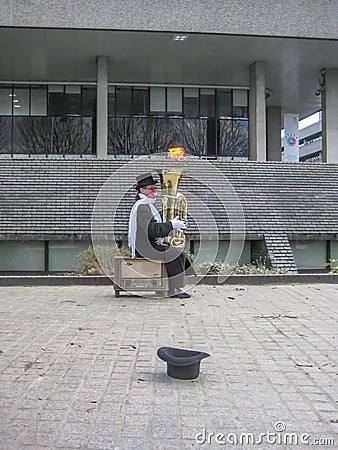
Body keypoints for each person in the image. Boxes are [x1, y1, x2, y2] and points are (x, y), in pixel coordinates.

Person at [128, 172, 195, 299]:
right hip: (145, 247)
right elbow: (152, 230)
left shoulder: (146, 204)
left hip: (149, 244)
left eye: (155, 188)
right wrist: (171, 224)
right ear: (142, 190)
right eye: (151, 188)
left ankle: (168, 286)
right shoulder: (142, 207)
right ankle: (172, 289)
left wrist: (172, 224)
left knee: (176, 251)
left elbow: (154, 228)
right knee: (173, 253)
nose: (155, 191)